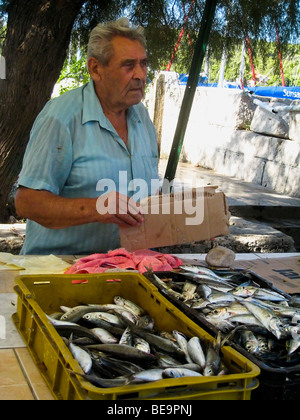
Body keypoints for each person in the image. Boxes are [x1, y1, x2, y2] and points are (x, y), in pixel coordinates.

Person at [15, 18, 159, 255]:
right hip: (60, 270)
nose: (140, 75)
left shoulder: (142, 118)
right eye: (128, 65)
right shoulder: (60, 118)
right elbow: (27, 202)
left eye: (143, 64)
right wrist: (96, 208)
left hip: (128, 269)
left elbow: (147, 192)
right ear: (95, 68)